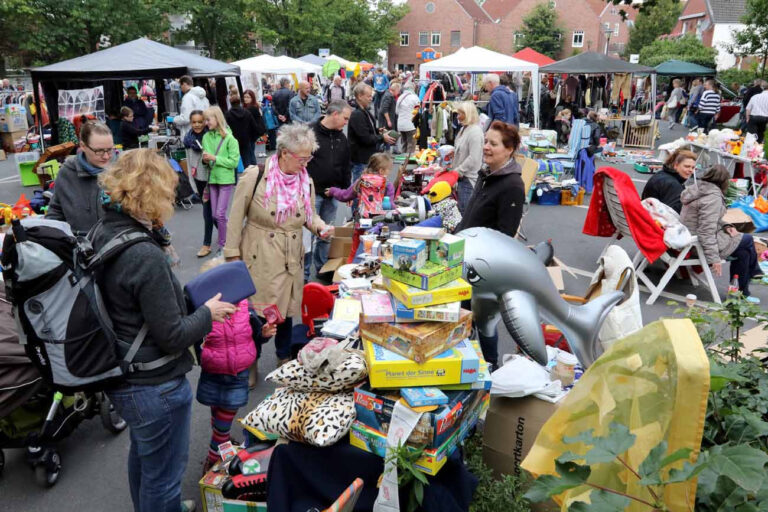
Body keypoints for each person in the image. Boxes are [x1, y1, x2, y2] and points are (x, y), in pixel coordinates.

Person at [92, 149, 235, 512]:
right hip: (154, 385)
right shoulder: (143, 254)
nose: (173, 196)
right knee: (164, 478)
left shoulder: (104, 228)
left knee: (145, 457)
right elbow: (172, 335)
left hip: (124, 373)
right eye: (170, 189)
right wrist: (208, 312)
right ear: (153, 191)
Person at [224, 124, 334, 366]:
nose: (306, 163)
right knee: (258, 313)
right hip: (260, 252)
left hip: (291, 255)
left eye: (309, 158)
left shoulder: (306, 180)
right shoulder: (256, 176)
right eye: (302, 158)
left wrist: (320, 226)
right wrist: (232, 256)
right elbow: (235, 216)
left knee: (284, 312)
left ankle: (283, 356)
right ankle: (250, 361)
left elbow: (309, 215)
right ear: (284, 153)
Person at [196, 257, 276, 473]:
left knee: (224, 419)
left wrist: (264, 333)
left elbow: (255, 333)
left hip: (238, 373)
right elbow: (191, 336)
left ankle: (212, 457)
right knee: (217, 412)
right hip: (214, 372)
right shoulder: (203, 312)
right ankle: (222, 442)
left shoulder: (245, 307)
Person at [457, 122, 526, 366]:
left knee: (485, 322)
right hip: (465, 259)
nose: (485, 147)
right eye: (486, 141)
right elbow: (471, 217)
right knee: (464, 316)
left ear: (509, 150)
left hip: (484, 270)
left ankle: (491, 367)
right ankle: (469, 364)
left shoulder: (512, 186)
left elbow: (504, 237)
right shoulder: (487, 174)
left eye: (493, 144)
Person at [680, 165, 762, 302]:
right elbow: (706, 231)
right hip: (697, 244)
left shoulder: (698, 189)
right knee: (747, 239)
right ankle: (753, 274)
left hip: (691, 238)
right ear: (725, 181)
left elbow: (709, 219)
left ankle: (742, 292)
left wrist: (727, 225)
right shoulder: (713, 197)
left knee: (743, 253)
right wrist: (714, 259)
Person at [304, 100, 352, 281]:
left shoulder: (341, 137)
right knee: (307, 236)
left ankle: (322, 269)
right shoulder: (310, 132)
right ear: (335, 114)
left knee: (326, 234)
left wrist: (347, 190)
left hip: (332, 193)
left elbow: (347, 165)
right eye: (345, 118)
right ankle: (304, 274)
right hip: (312, 193)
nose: (346, 122)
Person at [47, 122, 115, 235]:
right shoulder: (67, 172)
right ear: (83, 146)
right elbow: (56, 210)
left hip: (115, 243)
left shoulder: (123, 170)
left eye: (110, 150)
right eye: (99, 151)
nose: (106, 156)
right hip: (79, 243)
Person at [202, 106, 240, 253]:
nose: (206, 123)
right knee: (214, 215)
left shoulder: (230, 139)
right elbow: (207, 160)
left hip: (225, 180)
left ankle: (224, 245)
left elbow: (234, 163)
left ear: (217, 119)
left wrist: (214, 158)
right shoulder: (206, 137)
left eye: (208, 119)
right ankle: (233, 235)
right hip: (212, 179)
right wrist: (206, 160)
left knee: (220, 214)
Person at [348, 83, 396, 184]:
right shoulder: (357, 114)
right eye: (368, 96)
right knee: (360, 190)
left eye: (371, 96)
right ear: (360, 96)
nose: (371, 98)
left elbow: (368, 130)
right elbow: (366, 138)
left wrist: (378, 130)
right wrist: (382, 137)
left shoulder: (365, 111)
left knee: (367, 189)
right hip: (360, 160)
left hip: (366, 158)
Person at [183, 110, 216, 258]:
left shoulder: (210, 137)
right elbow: (190, 165)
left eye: (200, 121)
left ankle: (206, 244)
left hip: (213, 180)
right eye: (194, 122)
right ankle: (230, 236)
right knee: (211, 214)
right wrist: (193, 185)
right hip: (199, 182)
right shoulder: (188, 140)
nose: (197, 125)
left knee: (211, 213)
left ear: (205, 122)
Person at [325, 152, 395, 209]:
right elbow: (390, 205)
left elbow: (345, 195)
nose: (390, 172)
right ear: (381, 171)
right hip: (380, 218)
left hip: (363, 217)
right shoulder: (387, 185)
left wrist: (333, 191)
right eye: (389, 170)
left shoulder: (361, 181)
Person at [452, 101, 484, 214]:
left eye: (460, 114)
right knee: (462, 210)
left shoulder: (475, 132)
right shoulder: (463, 129)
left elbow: (473, 157)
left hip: (468, 178)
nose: (458, 116)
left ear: (468, 114)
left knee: (465, 212)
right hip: (461, 177)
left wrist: (458, 170)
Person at [641, 149, 696, 213]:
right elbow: (672, 214)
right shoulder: (672, 184)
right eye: (687, 166)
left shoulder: (663, 174)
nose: (691, 170)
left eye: (693, 167)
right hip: (654, 219)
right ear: (676, 165)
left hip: (647, 214)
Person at [225, 94, 260, 167]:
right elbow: (254, 126)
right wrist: (253, 137)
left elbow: (225, 127)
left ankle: (235, 177)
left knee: (233, 160)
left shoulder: (228, 114)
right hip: (246, 139)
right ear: (240, 102)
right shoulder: (247, 112)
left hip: (233, 139)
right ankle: (249, 175)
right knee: (246, 159)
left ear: (230, 103)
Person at [395, 83, 420, 155]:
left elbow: (397, 112)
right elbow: (418, 111)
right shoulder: (415, 97)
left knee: (404, 144)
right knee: (411, 145)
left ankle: (402, 160)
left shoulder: (400, 97)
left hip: (400, 124)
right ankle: (408, 162)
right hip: (411, 125)